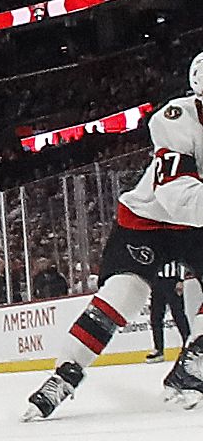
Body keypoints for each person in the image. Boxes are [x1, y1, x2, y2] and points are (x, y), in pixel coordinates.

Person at [27, 70, 203, 418]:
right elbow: (176, 198)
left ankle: (192, 365)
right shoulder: (176, 119)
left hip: (196, 223)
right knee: (124, 294)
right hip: (150, 221)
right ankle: (65, 373)